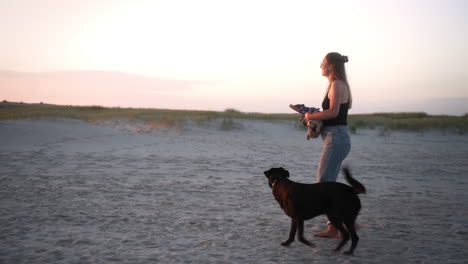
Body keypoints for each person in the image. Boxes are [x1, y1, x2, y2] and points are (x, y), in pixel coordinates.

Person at [304, 52, 353, 238]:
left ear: (331, 66)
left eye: (322, 63)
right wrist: (315, 114)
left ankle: (335, 228)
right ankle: (345, 223)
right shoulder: (336, 84)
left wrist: (311, 116)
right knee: (328, 183)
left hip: (337, 138)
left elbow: (333, 113)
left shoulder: (337, 84)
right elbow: (333, 113)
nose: (320, 66)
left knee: (324, 184)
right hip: (335, 138)